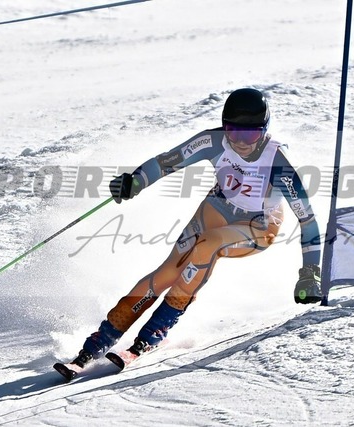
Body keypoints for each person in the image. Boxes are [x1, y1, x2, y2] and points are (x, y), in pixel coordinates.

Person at [68, 88, 322, 369]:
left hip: (258, 226)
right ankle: (102, 338)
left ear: (264, 130)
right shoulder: (213, 141)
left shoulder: (278, 161)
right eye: (233, 132)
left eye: (250, 135)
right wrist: (136, 181)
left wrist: (310, 272)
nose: (241, 142)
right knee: (166, 272)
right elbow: (167, 162)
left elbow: (307, 219)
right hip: (217, 207)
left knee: (208, 245)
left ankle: (155, 331)